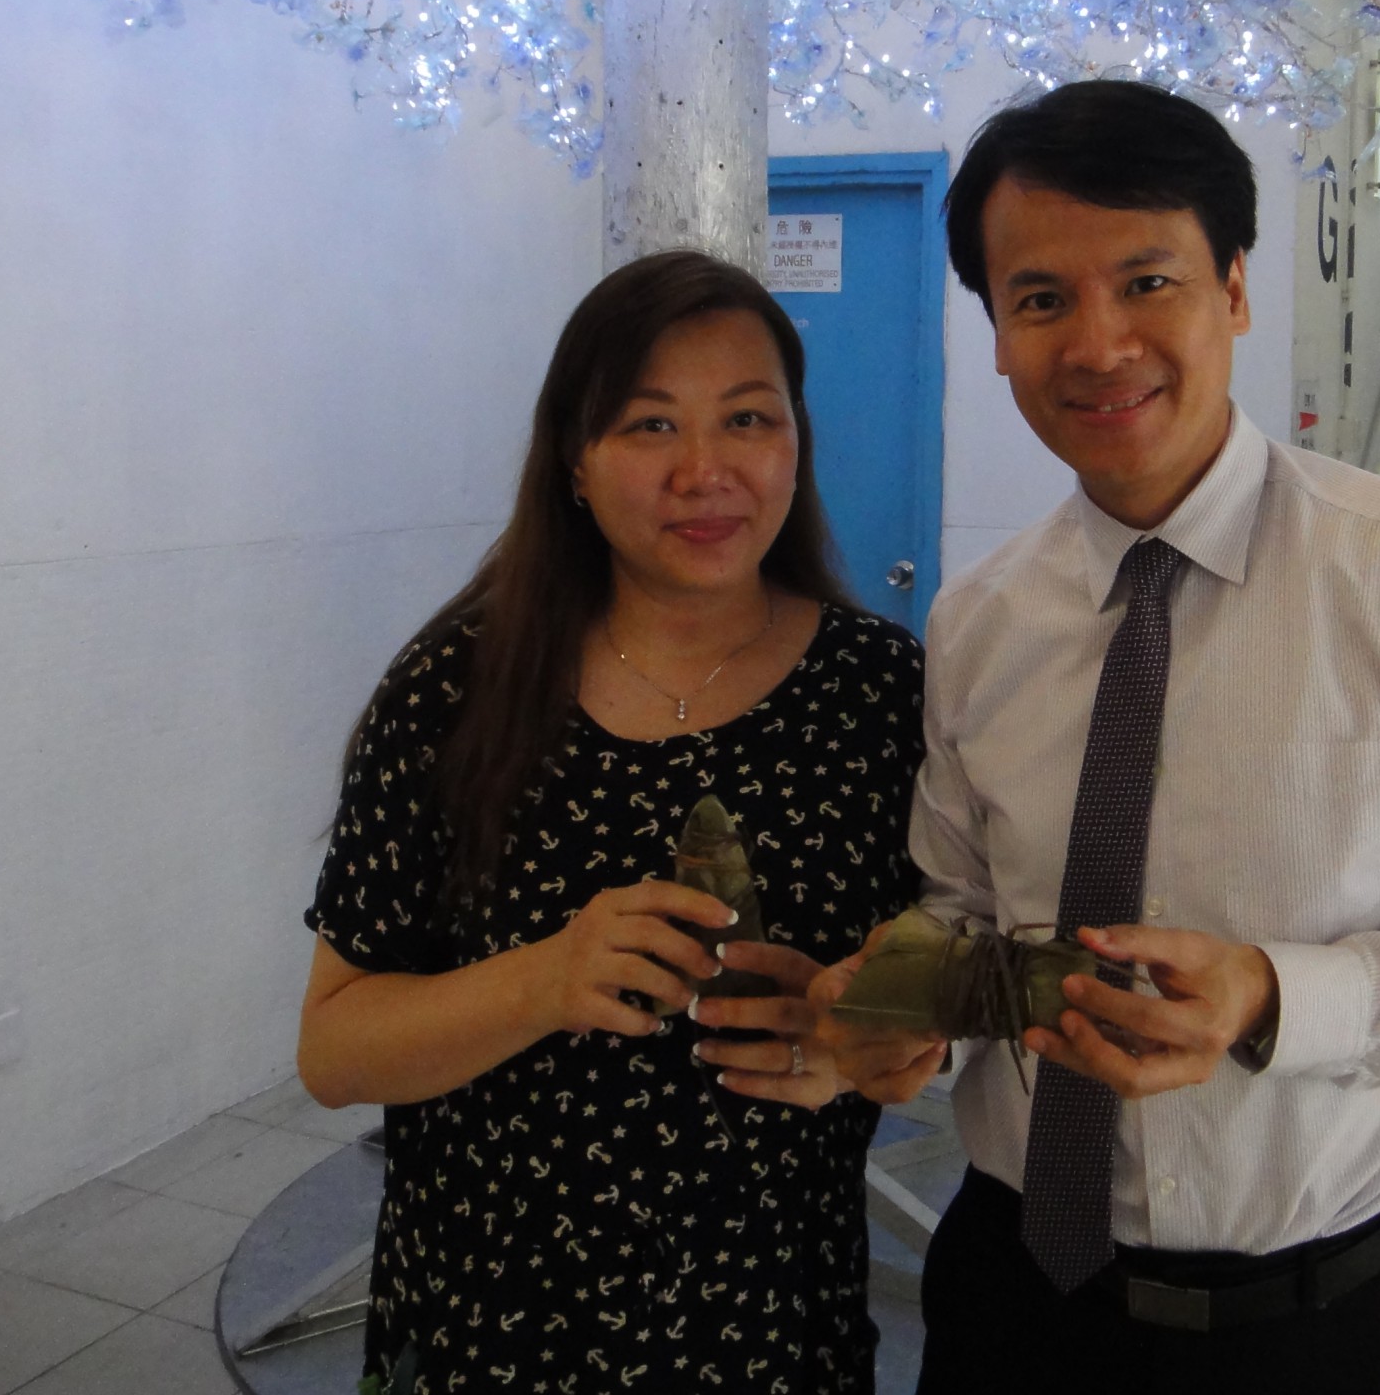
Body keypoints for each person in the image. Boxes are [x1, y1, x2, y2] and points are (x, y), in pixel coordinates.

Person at [814, 80, 1380, 1394]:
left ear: (1234, 288)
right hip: (1014, 1301)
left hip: (1314, 1321)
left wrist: (1274, 997)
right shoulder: (980, 621)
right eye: (1040, 299)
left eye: (1148, 282)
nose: (1098, 343)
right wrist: (905, 1015)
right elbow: (963, 912)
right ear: (998, 336)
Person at [296, 250, 925, 1395]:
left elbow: (930, 978)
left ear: (796, 443)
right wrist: (544, 981)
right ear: (575, 461)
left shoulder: (881, 694)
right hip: (492, 1337)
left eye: (748, 418)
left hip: (774, 1335)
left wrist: (871, 1042)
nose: (705, 471)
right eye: (650, 426)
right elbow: (335, 1053)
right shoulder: (458, 691)